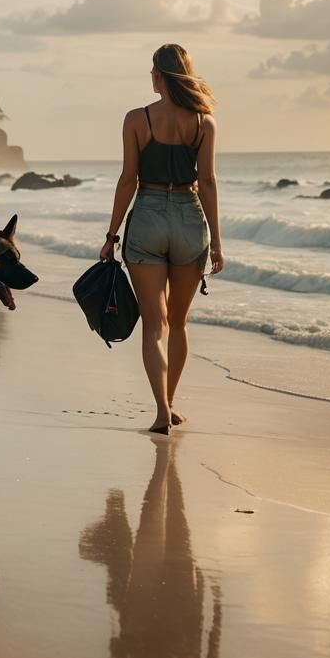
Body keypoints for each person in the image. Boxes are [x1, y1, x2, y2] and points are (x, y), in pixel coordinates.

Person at [99, 44, 223, 434]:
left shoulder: (137, 119)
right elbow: (207, 182)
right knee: (179, 324)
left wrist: (111, 234)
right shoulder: (204, 122)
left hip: (149, 215)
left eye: (152, 71)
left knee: (155, 326)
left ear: (159, 75)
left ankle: (160, 411)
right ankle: (170, 403)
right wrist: (217, 241)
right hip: (189, 218)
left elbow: (127, 179)